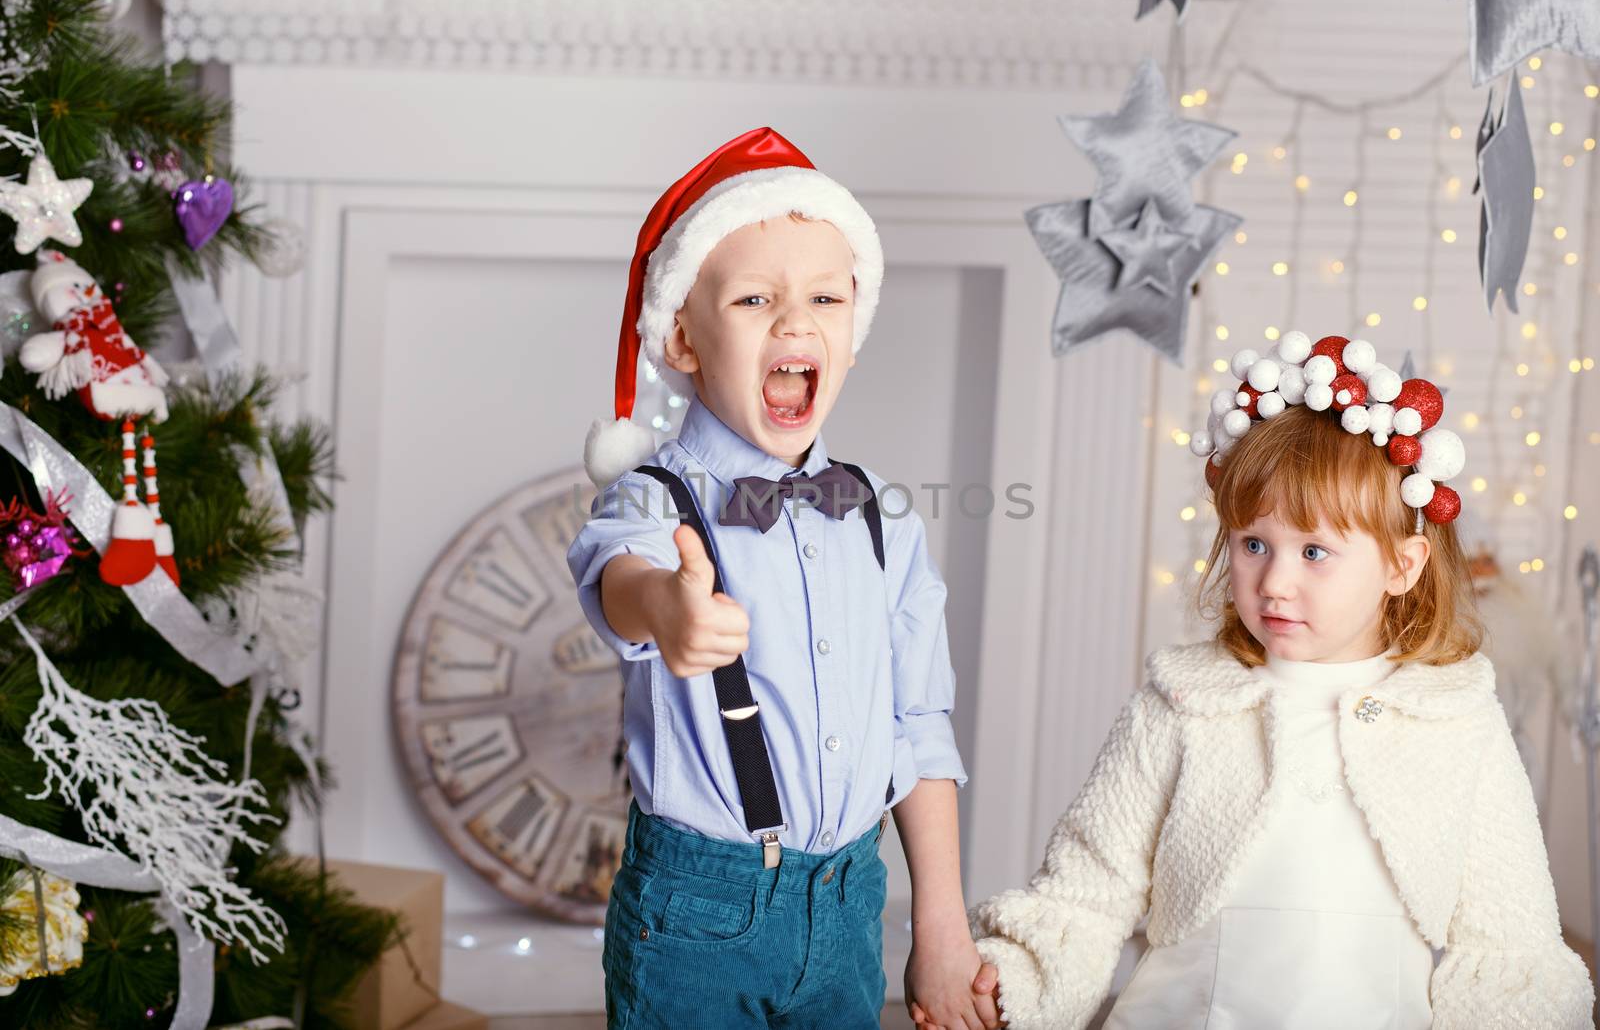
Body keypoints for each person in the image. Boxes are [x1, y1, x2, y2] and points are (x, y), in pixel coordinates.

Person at [963, 333, 1594, 1030]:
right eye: (1253, 543)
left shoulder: (1455, 718)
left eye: (1315, 550)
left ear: (1402, 565)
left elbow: (1507, 936)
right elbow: (1086, 888)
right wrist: (1013, 984)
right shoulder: (1185, 702)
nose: (1275, 581)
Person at [567, 127, 995, 1029]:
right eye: (756, 298)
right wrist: (666, 611)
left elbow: (918, 726)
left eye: (825, 298)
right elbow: (619, 573)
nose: (796, 322)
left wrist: (940, 927)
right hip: (696, 916)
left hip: (850, 905)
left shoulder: (884, 515)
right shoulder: (656, 499)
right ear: (682, 337)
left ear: (851, 329)